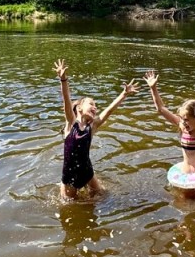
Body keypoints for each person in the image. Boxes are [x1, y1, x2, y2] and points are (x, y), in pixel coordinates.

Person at [55, 59, 138, 200]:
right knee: (68, 204)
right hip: (69, 177)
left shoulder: (92, 127)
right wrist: (63, 80)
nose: (95, 107)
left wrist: (124, 94)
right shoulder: (71, 123)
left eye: (96, 106)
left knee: (103, 196)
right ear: (79, 108)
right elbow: (66, 100)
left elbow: (109, 110)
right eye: (91, 104)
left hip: (88, 173)